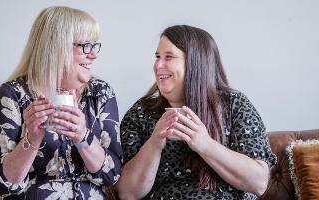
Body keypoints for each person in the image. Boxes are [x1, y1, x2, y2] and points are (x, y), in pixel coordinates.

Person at [116, 25, 276, 199]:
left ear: (195, 63)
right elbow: (127, 193)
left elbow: (259, 183)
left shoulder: (234, 105)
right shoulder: (141, 112)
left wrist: (204, 144)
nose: (158, 65)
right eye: (157, 57)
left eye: (168, 57)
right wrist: (155, 141)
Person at [0, 6, 122, 199]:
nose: (93, 54)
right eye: (85, 46)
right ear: (57, 47)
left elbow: (112, 175)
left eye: (94, 45)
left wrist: (83, 136)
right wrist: (31, 139)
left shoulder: (100, 93)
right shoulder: (14, 93)